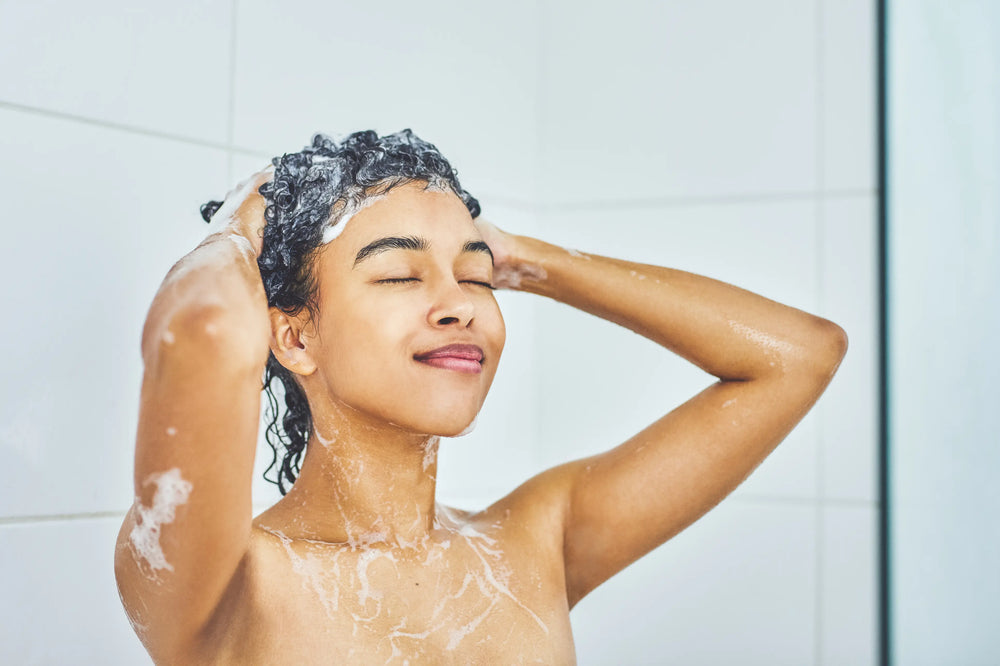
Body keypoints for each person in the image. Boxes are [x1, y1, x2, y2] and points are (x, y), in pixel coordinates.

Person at [114, 129, 847, 664]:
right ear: (295, 337)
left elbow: (800, 355)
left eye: (477, 279)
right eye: (401, 275)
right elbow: (203, 333)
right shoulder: (230, 586)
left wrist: (531, 259)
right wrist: (237, 230)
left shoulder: (535, 544)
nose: (459, 305)